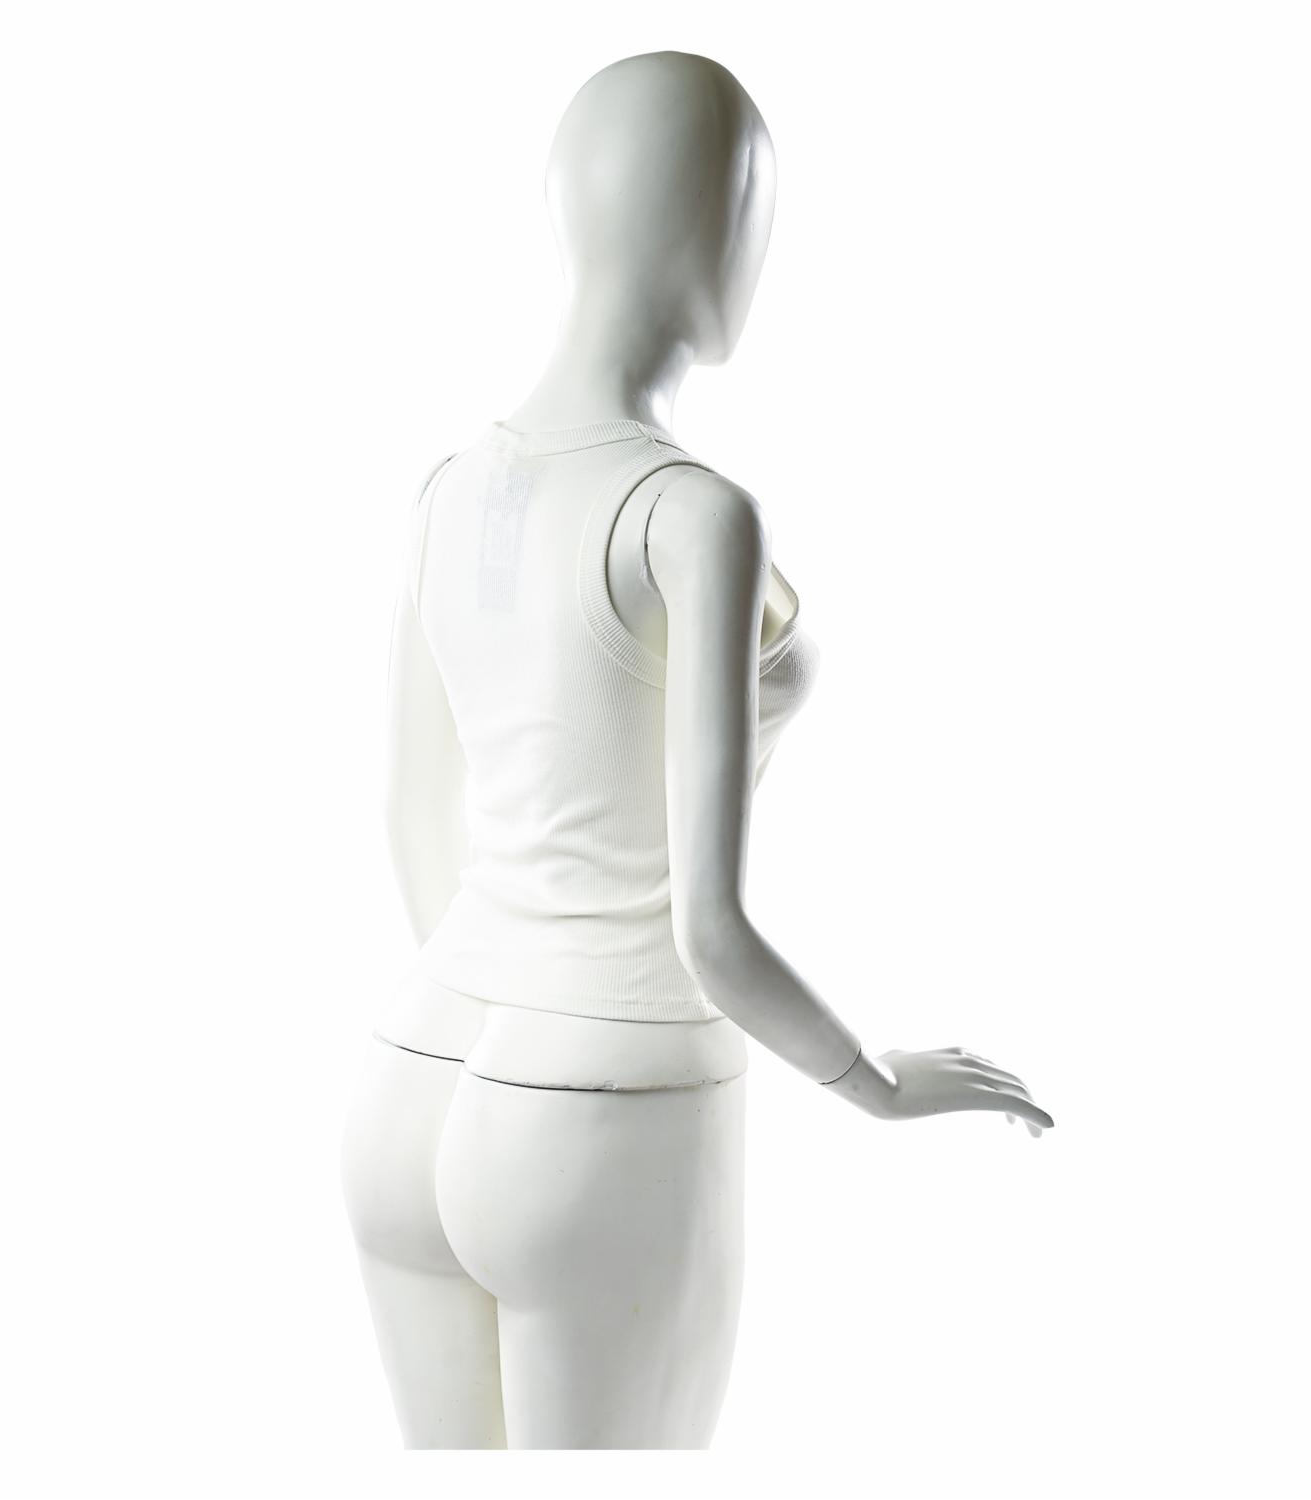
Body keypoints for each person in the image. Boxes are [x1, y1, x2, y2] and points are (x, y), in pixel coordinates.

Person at [340, 48, 1054, 1451]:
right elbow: (706, 929)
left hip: (414, 1068)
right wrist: (875, 1082)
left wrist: (504, 1028)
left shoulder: (449, 488)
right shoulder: (693, 515)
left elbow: (411, 819)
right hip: (605, 1104)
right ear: (724, 230)